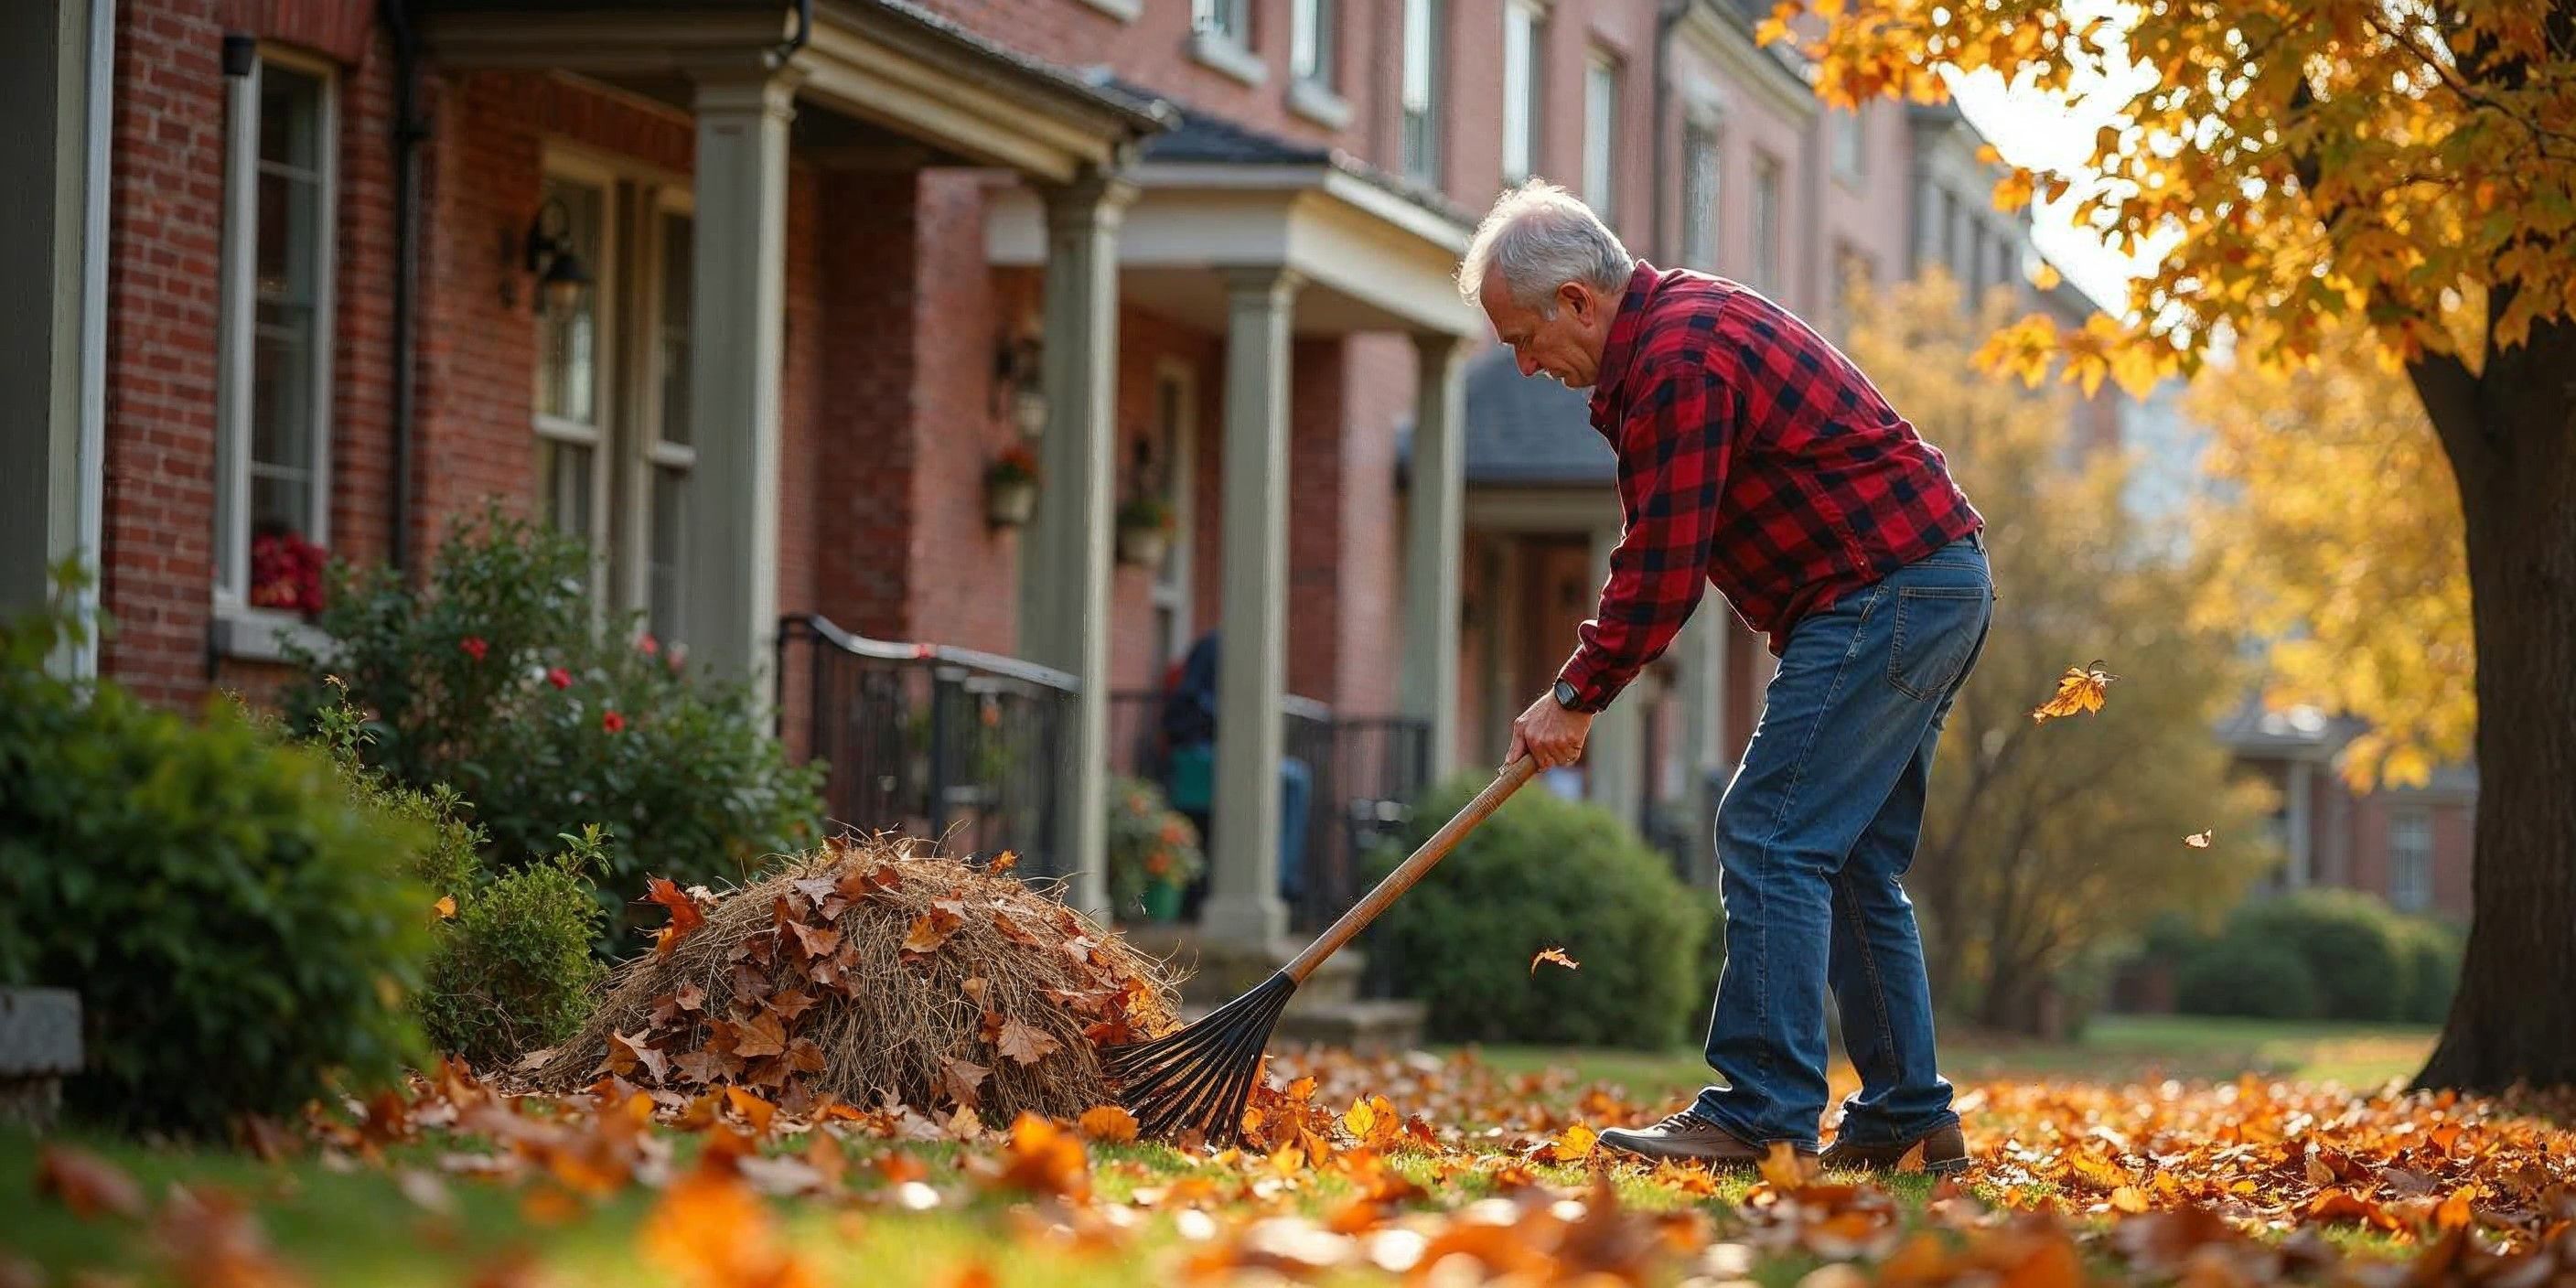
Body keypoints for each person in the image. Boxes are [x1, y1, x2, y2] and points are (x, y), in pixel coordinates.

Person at [1465, 180, 1991, 1175]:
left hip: (1887, 591)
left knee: (1770, 831)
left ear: (1577, 300)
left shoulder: (1678, 359)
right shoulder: (1672, 339)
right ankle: (1906, 1117)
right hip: (1923, 583)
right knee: (1844, 859)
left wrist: (1574, 693)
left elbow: (1660, 568)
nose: (1526, 365)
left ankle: (1758, 1113)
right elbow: (1665, 556)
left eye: (1522, 338)